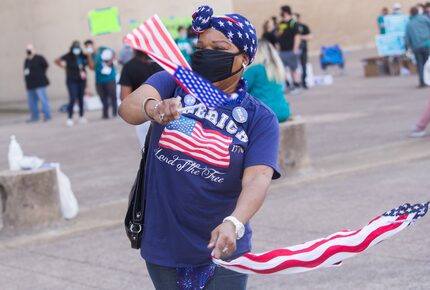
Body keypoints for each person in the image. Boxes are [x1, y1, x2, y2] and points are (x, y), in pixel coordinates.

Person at [119, 5, 280, 289]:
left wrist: (235, 221)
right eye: (201, 46)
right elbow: (129, 107)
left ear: (243, 58)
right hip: (165, 242)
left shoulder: (259, 117)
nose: (205, 53)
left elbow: (257, 177)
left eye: (218, 47)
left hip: (225, 244)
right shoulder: (174, 81)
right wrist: (154, 108)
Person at [119, 50, 162, 147]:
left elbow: (124, 97)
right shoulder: (163, 63)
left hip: (143, 116)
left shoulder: (129, 67)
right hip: (167, 113)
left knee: (147, 152)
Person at [243, 39, 290, 122]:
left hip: (263, 113)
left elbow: (239, 90)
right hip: (283, 112)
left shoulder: (254, 70)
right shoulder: (277, 69)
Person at [55, 41, 88, 127]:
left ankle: (81, 116)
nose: (76, 50)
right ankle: (69, 118)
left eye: (77, 48)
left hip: (81, 80)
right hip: (71, 80)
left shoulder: (82, 56)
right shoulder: (68, 56)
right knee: (73, 97)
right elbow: (57, 60)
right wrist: (64, 67)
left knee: (81, 98)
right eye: (75, 48)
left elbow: (88, 62)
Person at [84, 40, 118, 119]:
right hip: (99, 80)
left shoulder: (103, 49)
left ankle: (115, 112)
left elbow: (114, 55)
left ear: (93, 45)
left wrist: (108, 64)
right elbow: (92, 67)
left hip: (110, 78)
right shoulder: (90, 56)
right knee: (103, 97)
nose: (89, 48)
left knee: (113, 96)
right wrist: (89, 55)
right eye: (87, 47)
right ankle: (105, 113)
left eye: (90, 46)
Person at [23, 44, 52, 122]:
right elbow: (25, 72)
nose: (29, 51)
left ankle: (47, 116)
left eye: (30, 49)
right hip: (30, 85)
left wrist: (41, 75)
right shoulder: (27, 60)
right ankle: (35, 117)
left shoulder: (39, 58)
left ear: (34, 49)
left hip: (40, 83)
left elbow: (46, 66)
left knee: (43, 100)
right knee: (32, 102)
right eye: (27, 50)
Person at [277, 5, 301, 93]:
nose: (280, 13)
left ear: (285, 12)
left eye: (281, 11)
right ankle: (288, 84)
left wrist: (295, 48)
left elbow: (297, 36)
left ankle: (297, 85)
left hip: (291, 50)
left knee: (293, 69)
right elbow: (278, 35)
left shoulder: (293, 23)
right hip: (282, 51)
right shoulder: (281, 23)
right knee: (282, 69)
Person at [405, 6, 430, 88]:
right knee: (428, 64)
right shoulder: (424, 19)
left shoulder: (409, 24)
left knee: (420, 65)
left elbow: (407, 37)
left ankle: (422, 82)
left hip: (417, 46)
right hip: (427, 44)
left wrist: (407, 47)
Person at [293, 13, 312, 89]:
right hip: (293, 50)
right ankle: (296, 83)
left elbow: (310, 37)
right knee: (294, 67)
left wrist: (300, 37)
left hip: (303, 49)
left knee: (303, 66)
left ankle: (304, 82)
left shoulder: (304, 27)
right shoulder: (291, 28)